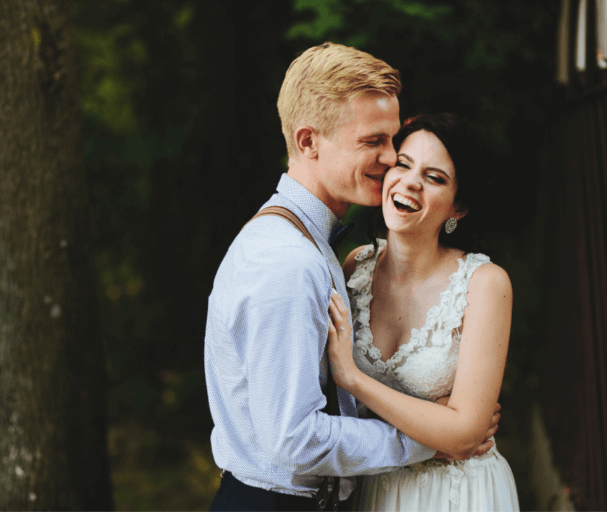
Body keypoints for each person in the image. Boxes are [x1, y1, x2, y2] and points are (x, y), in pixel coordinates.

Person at [204, 43, 499, 511]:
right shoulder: (288, 262)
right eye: (373, 142)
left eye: (391, 141)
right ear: (308, 142)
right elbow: (295, 439)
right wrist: (426, 442)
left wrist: (445, 420)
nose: (390, 158)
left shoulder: (313, 246)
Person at [327, 113, 520, 511]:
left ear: (458, 207)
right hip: (375, 486)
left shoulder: (484, 284)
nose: (410, 182)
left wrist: (353, 379)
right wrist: (436, 427)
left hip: (456, 494)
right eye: (403, 164)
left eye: (434, 178)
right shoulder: (355, 267)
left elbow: (465, 435)